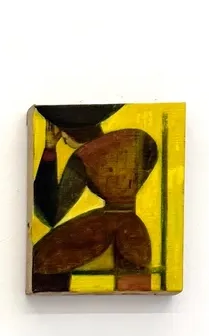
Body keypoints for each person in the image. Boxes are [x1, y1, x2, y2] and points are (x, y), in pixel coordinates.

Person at [31, 104, 159, 292]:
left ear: (69, 132)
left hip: (103, 230)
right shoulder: (136, 137)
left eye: (63, 132)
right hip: (135, 230)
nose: (63, 138)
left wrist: (50, 150)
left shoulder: (84, 156)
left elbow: (50, 214)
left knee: (42, 258)